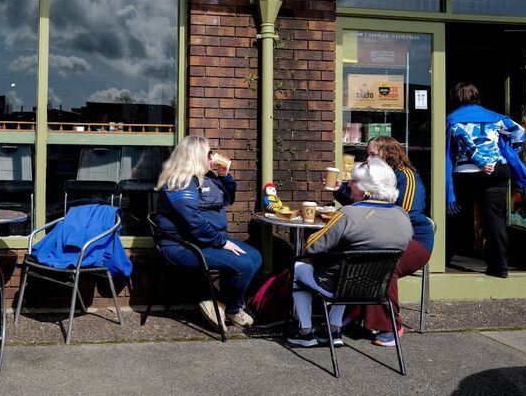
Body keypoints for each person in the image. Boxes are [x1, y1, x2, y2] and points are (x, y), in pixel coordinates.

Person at [288, 158, 412, 348]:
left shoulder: (347, 214)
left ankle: (305, 331)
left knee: (299, 267)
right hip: (375, 288)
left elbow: (313, 246)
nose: (349, 185)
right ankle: (334, 327)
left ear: (366, 188)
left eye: (353, 181)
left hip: (334, 285)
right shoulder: (403, 217)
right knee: (349, 272)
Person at [154, 135, 262, 331]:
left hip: (202, 239)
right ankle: (230, 307)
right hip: (182, 245)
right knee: (244, 264)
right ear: (196, 156)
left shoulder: (202, 178)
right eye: (208, 154)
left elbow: (226, 200)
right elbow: (193, 221)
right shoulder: (180, 181)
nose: (211, 157)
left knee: (255, 257)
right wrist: (221, 241)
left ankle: (220, 303)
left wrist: (224, 176)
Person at [332, 136, 433, 346]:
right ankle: (354, 311)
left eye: (372, 154)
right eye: (367, 154)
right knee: (356, 257)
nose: (368, 159)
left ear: (388, 153)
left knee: (385, 265)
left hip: (413, 238)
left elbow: (405, 215)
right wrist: (341, 190)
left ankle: (391, 325)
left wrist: (374, 216)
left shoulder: (406, 177)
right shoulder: (373, 175)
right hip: (382, 236)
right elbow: (360, 205)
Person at [446, 82, 526, 278]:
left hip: (467, 173)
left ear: (454, 98)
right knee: (495, 219)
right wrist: (510, 153)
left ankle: (444, 260)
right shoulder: (495, 117)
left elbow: (463, 140)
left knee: (458, 217)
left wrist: (479, 161)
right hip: (499, 169)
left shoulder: (453, 119)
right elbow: (519, 132)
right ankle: (499, 267)